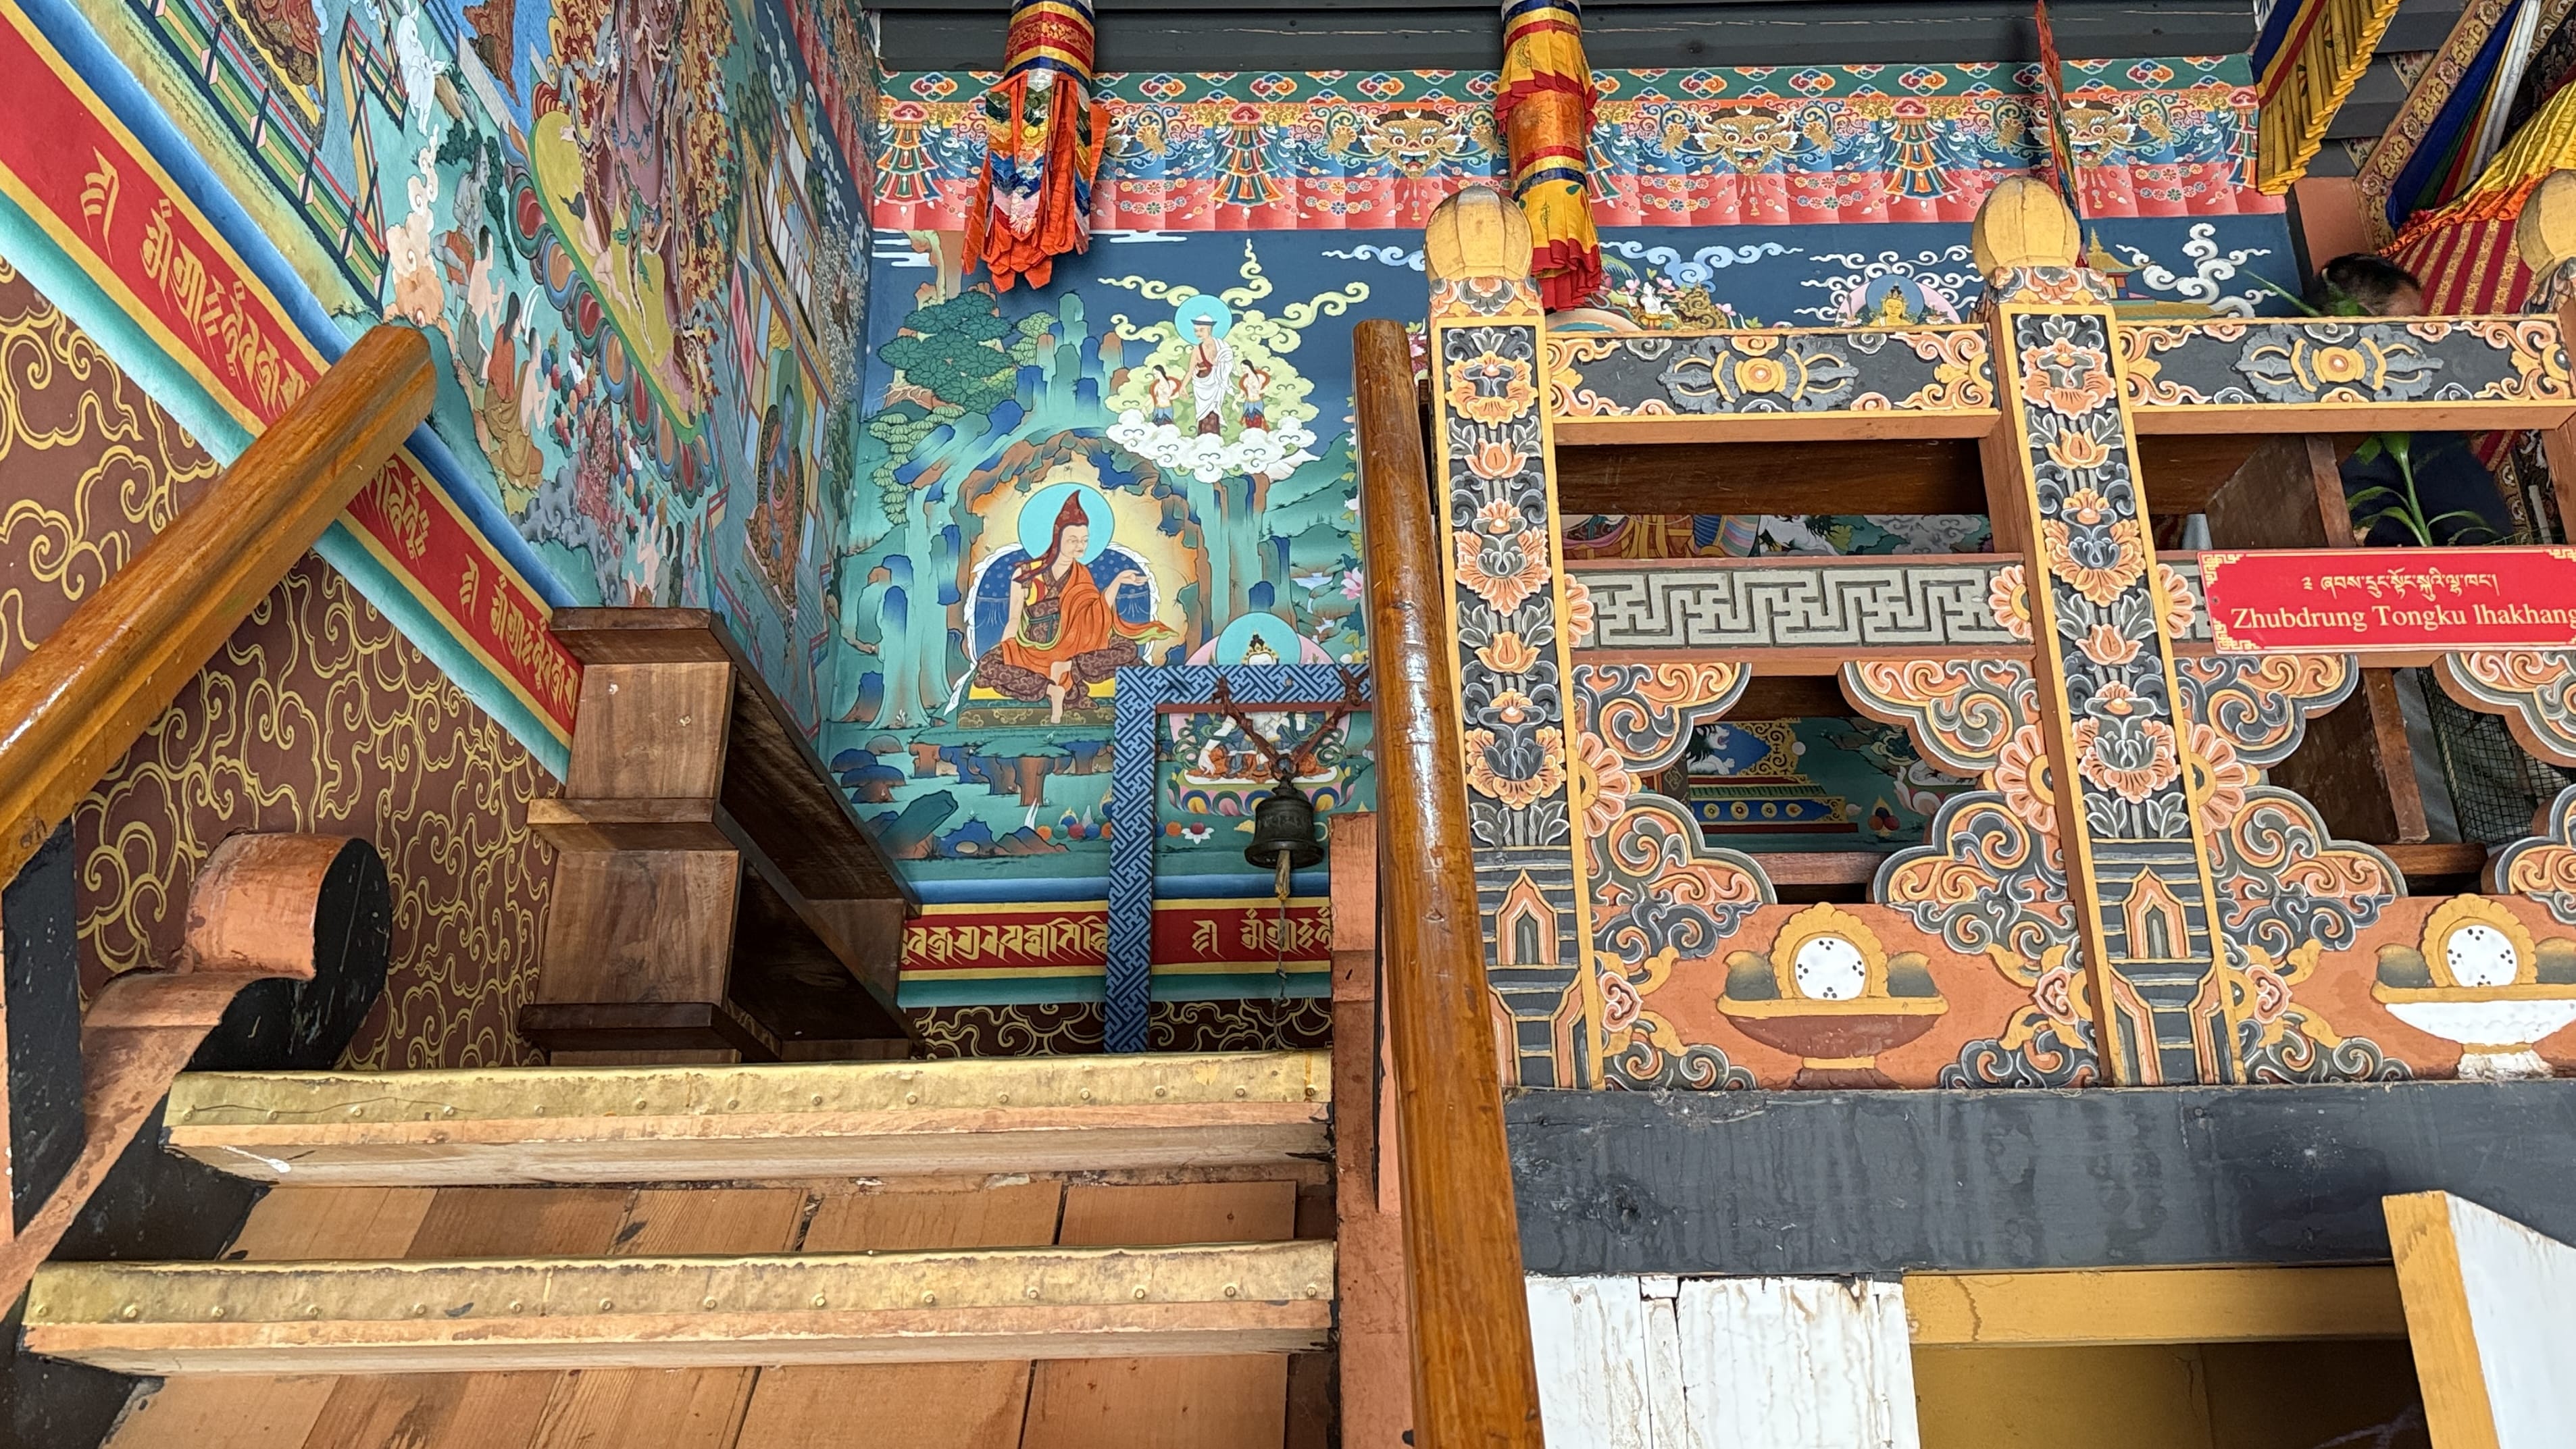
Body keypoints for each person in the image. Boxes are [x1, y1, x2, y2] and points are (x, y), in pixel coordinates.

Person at [2311, 254, 2517, 546]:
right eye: (2412, 324)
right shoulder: (2411, 426)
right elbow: (2482, 536)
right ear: (2357, 321)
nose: (2424, 338)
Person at [974, 494, 1172, 723]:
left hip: (1076, 644)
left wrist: (1117, 581)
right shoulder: (1026, 574)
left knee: (1127, 649)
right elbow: (1014, 619)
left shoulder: (1082, 574)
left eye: (1085, 540)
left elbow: (1096, 612)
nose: (1080, 546)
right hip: (1035, 646)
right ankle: (1051, 689)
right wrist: (1008, 646)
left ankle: (1068, 667)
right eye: (1073, 540)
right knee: (989, 664)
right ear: (1057, 539)